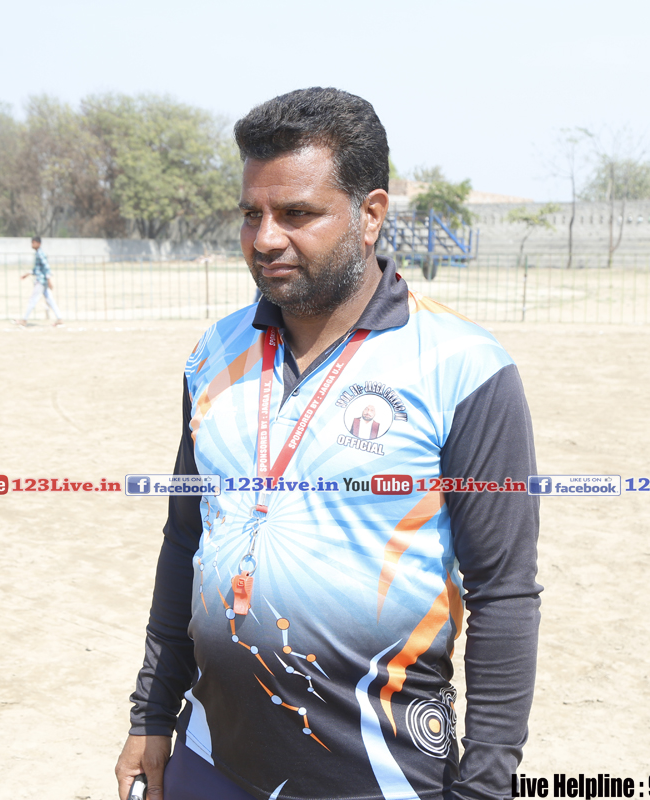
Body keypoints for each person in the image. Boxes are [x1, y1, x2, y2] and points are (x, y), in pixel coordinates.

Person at [115, 88, 541, 800]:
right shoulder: (213, 353)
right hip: (209, 755)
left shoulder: (464, 368)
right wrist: (153, 715)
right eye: (250, 213)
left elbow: (503, 592)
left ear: (370, 215)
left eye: (297, 214)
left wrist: (485, 788)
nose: (265, 238)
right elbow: (184, 539)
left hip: (379, 774)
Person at [16, 236, 63, 327]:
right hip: (43, 280)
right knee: (50, 299)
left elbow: (46, 267)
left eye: (33, 242)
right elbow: (37, 269)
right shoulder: (38, 253)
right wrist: (27, 274)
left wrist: (49, 280)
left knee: (33, 300)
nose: (32, 244)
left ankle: (24, 320)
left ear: (38, 243)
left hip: (41, 281)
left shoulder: (40, 254)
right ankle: (59, 318)